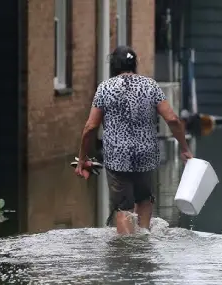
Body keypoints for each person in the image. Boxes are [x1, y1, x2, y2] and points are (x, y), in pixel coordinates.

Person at [75, 46, 193, 234]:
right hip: (146, 154)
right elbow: (172, 119)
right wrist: (185, 148)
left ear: (114, 65)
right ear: (134, 64)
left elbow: (90, 127)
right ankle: (143, 242)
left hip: (117, 156)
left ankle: (129, 252)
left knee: (123, 208)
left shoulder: (105, 88)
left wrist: (82, 157)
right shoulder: (151, 86)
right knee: (144, 199)